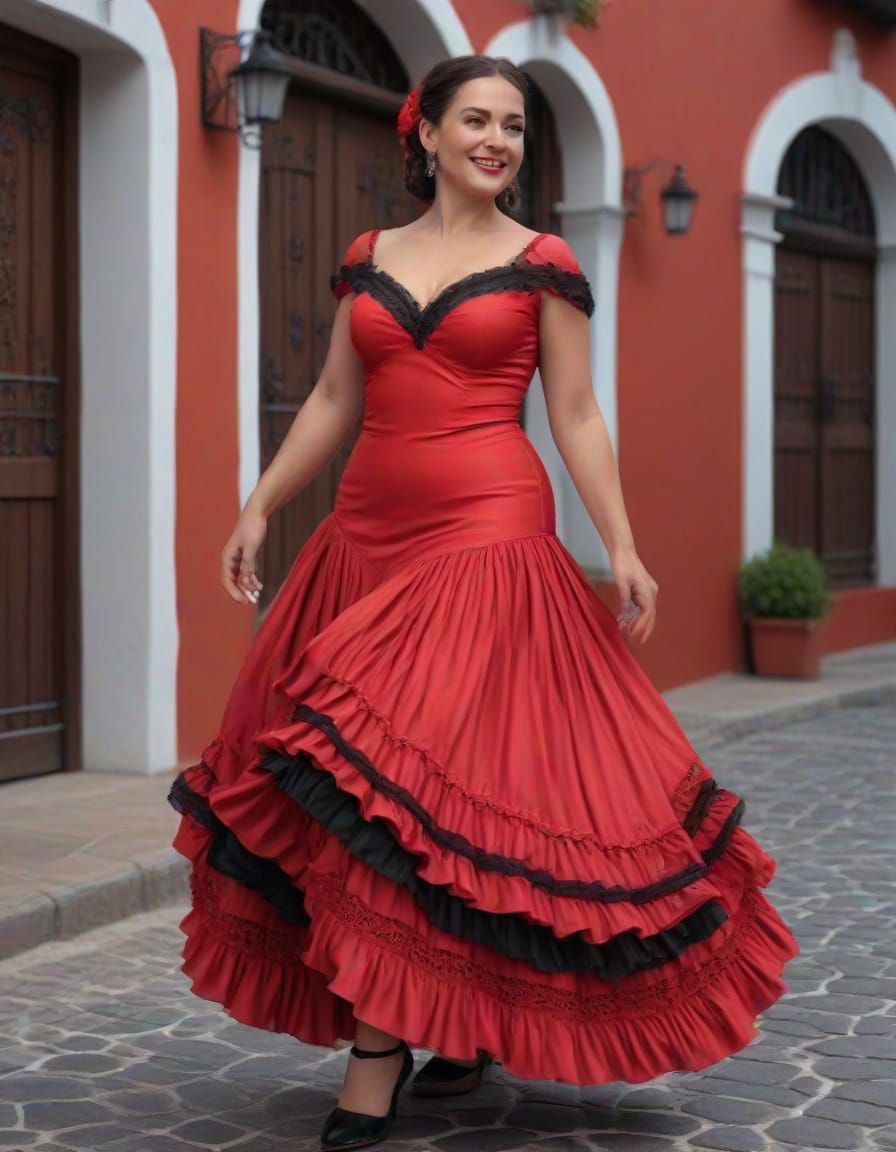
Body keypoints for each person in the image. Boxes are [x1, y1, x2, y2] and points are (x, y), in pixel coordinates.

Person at [168, 54, 798, 1152]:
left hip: (487, 538)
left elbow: (577, 412)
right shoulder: (371, 254)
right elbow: (334, 396)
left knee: (402, 795)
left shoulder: (542, 260)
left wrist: (621, 543)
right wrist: (260, 507)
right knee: (411, 805)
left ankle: (376, 1060)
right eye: (476, 119)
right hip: (364, 540)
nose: (497, 139)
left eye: (512, 125)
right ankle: (450, 1022)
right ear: (426, 133)